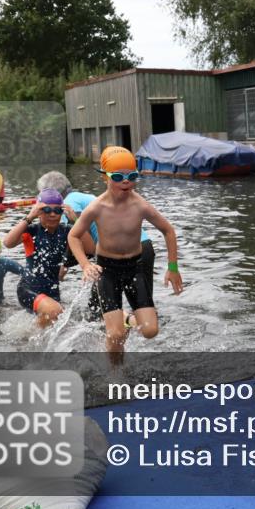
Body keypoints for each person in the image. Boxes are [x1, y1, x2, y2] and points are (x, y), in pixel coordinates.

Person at [68, 147, 183, 355]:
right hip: (107, 271)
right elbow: (73, 236)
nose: (126, 181)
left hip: (134, 268)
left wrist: (172, 267)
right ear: (105, 177)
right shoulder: (97, 207)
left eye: (132, 176)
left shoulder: (140, 205)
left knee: (150, 330)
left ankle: (125, 320)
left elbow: (168, 230)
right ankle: (115, 374)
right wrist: (85, 264)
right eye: (118, 176)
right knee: (116, 335)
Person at [36, 171, 157, 321]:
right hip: (144, 246)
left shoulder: (68, 203)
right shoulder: (84, 197)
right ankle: (138, 328)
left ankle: (120, 327)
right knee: (142, 305)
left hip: (116, 253)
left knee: (97, 306)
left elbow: (79, 237)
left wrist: (65, 265)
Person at [3, 188, 93, 328]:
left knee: (58, 323)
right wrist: (30, 217)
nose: (52, 214)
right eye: (47, 210)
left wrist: (76, 220)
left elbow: (90, 249)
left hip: (52, 290)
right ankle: (34, 343)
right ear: (39, 212)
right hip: (29, 288)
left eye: (57, 210)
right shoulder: (31, 230)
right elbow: (8, 243)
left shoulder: (68, 231)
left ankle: (31, 341)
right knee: (54, 311)